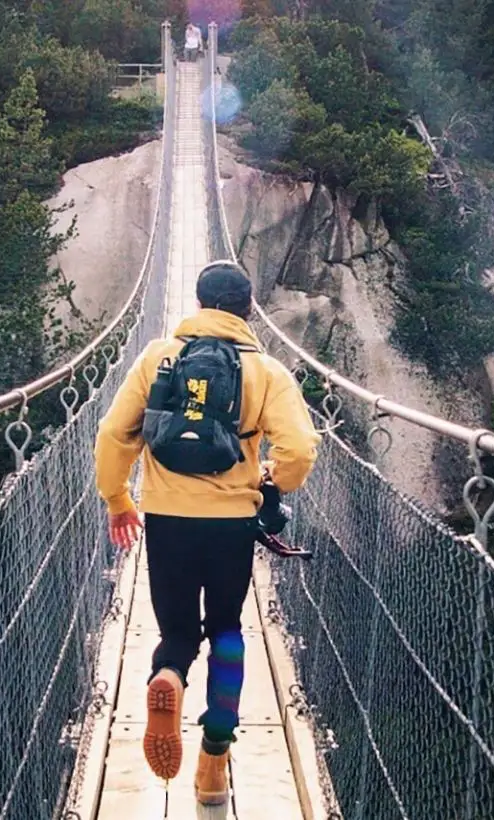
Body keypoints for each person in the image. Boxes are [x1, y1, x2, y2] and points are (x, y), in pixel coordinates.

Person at [94, 260, 320, 804]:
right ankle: (214, 760)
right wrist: (270, 481)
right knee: (226, 632)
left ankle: (168, 673)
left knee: (177, 631)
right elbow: (300, 450)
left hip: (167, 520)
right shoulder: (266, 371)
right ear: (248, 310)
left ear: (197, 305)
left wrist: (118, 499)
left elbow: (112, 433)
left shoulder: (157, 358)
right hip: (231, 528)